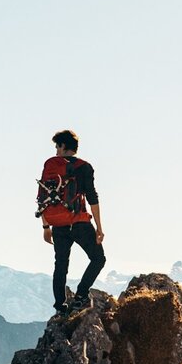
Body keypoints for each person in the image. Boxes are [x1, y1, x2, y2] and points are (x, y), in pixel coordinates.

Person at [37, 129, 106, 315]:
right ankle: (81, 296)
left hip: (58, 225)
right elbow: (92, 198)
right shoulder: (84, 167)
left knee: (61, 265)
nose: (56, 151)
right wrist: (99, 228)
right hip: (79, 223)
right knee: (98, 259)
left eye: (57, 146)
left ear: (63, 145)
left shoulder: (50, 166)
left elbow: (43, 197)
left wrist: (46, 227)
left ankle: (60, 306)